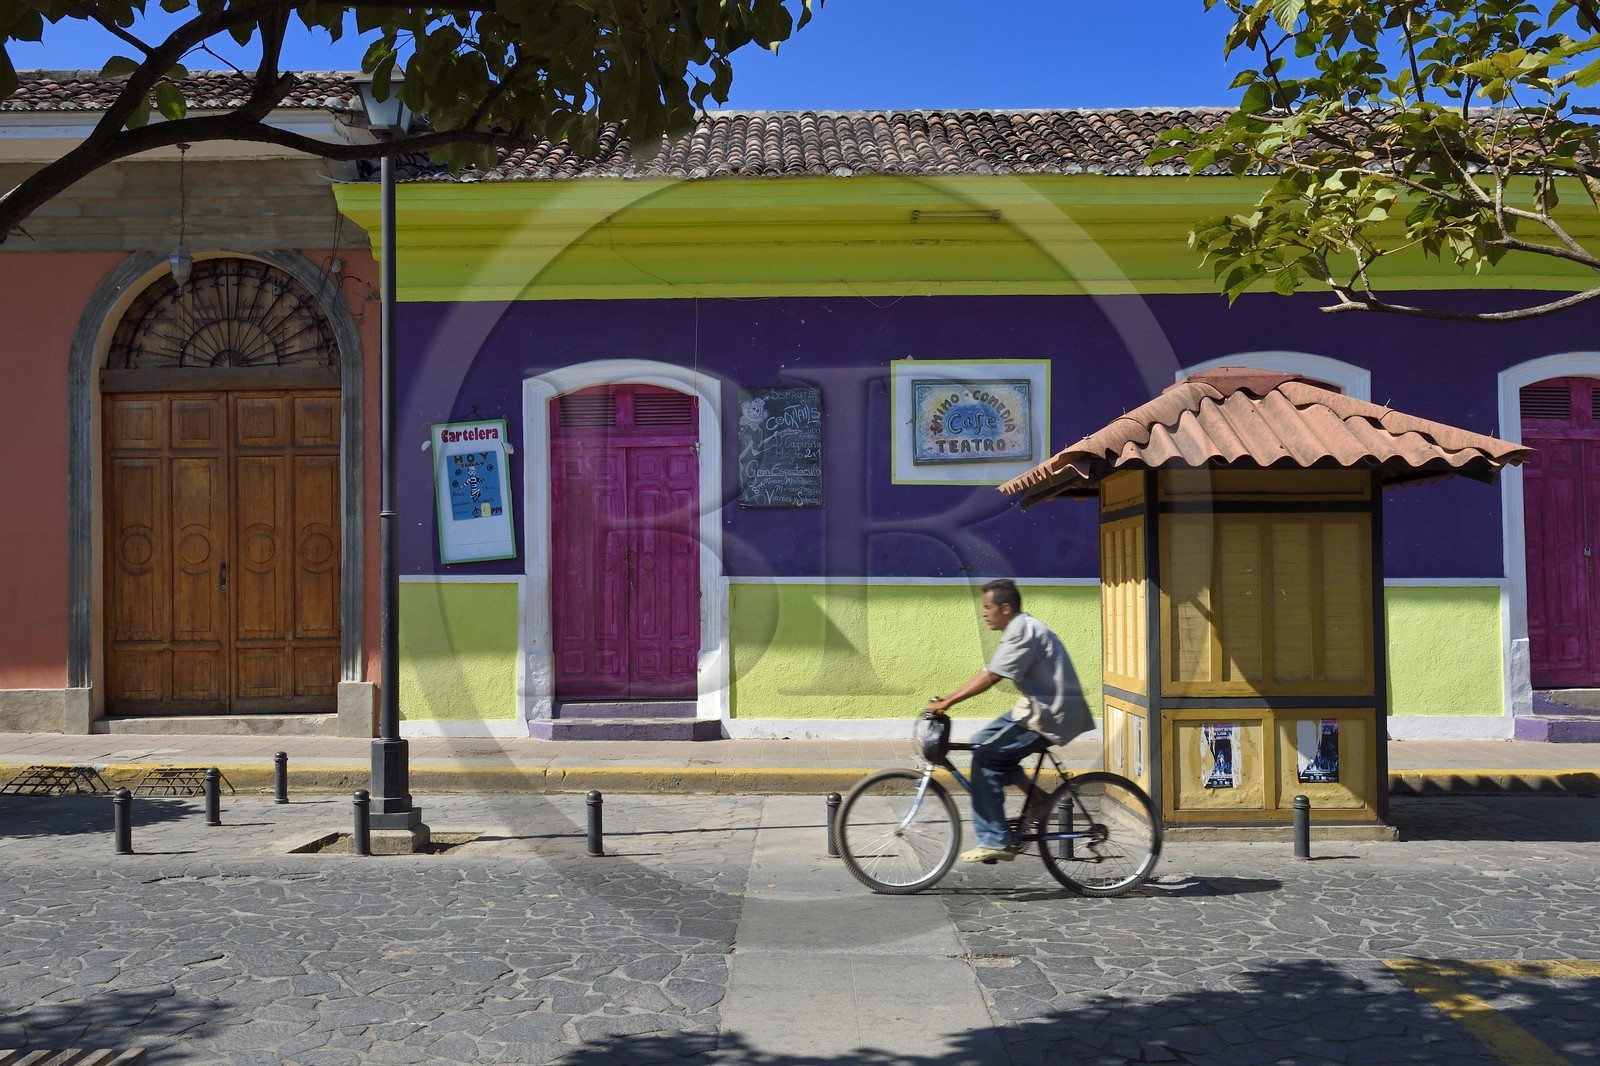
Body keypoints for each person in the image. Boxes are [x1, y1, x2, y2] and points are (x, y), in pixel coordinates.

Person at [922, 579, 1094, 863]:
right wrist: (947, 699)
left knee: (986, 758)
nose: (983, 614)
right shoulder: (1018, 628)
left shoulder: (1023, 632)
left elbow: (991, 676)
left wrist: (947, 702)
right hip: (1035, 707)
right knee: (980, 742)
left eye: (987, 607)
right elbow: (990, 669)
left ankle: (995, 839)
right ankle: (1037, 798)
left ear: (1005, 608)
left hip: (1051, 714)